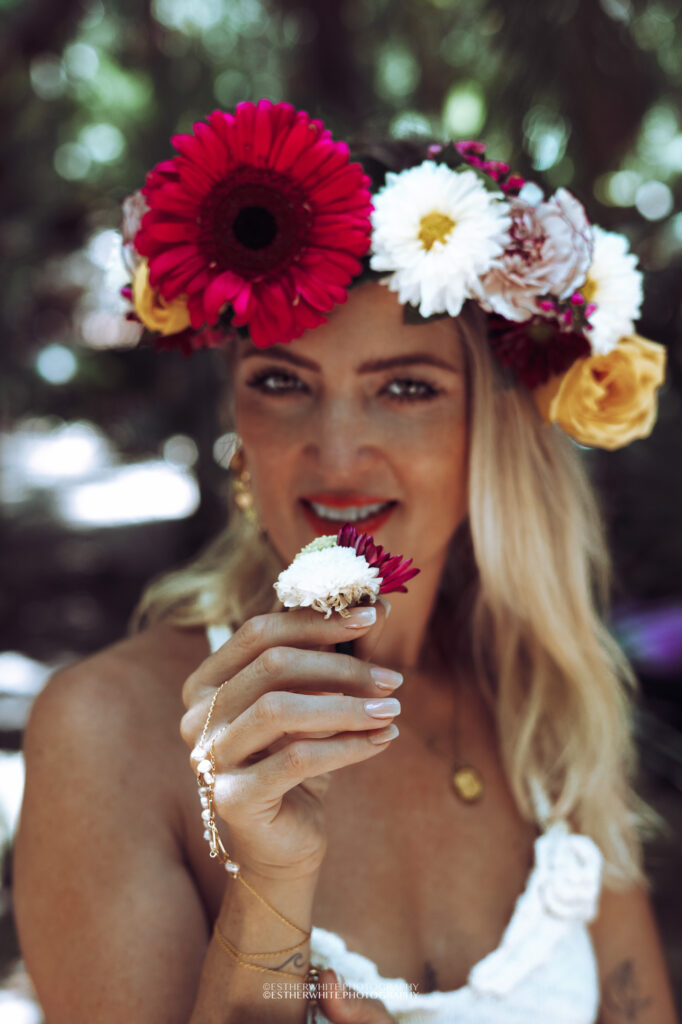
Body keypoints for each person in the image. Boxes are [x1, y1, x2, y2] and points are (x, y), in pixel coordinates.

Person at [13, 100, 678, 1024]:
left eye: (406, 387)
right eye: (281, 382)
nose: (335, 453)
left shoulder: (547, 713)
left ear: (496, 433)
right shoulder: (110, 731)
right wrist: (272, 879)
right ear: (235, 426)